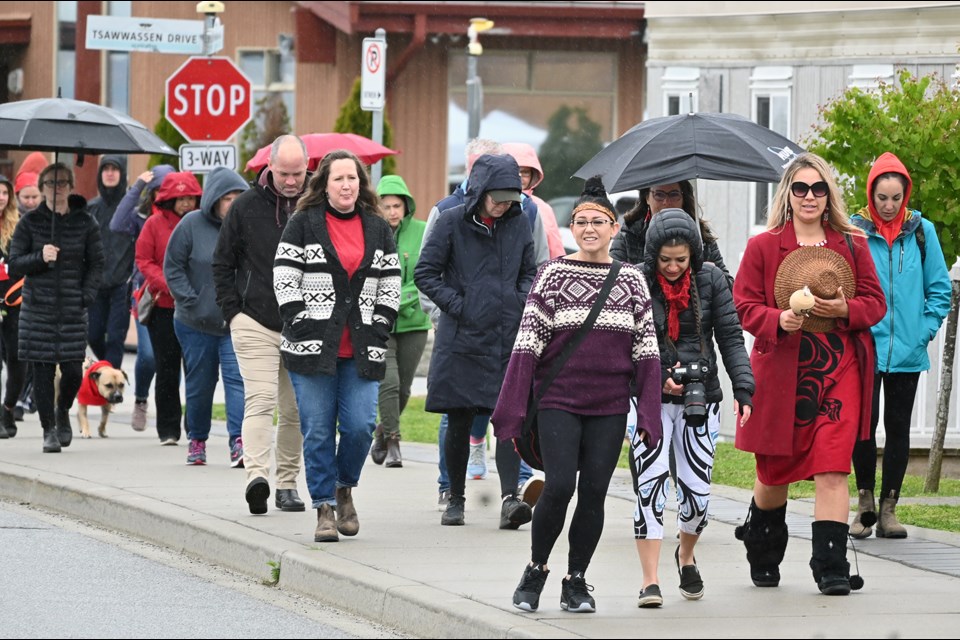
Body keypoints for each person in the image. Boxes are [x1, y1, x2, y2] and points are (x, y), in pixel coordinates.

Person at [492, 176, 661, 614]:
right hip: (559, 401)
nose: (589, 229)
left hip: (609, 405)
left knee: (594, 494)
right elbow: (526, 346)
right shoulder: (552, 275)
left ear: (613, 228)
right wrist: (510, 409)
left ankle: (576, 580)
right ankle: (536, 569)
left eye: (598, 222)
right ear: (572, 228)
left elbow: (647, 352)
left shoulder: (632, 281)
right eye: (581, 221)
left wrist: (649, 415)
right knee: (561, 484)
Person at [732, 152, 886, 596]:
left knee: (833, 467)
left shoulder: (852, 243)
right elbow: (744, 305)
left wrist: (846, 309)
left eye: (818, 189)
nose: (809, 197)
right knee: (775, 469)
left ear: (828, 194)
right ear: (788, 193)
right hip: (783, 371)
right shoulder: (764, 245)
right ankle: (762, 545)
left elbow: (875, 303)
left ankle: (831, 566)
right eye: (800, 188)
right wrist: (776, 320)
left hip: (840, 369)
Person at [274, 149, 400, 543]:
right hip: (311, 348)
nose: (347, 185)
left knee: (362, 425)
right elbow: (284, 276)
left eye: (353, 178)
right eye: (338, 179)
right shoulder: (302, 223)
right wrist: (300, 321)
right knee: (317, 430)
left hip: (363, 348)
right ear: (324, 185)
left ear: (361, 184)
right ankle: (325, 507)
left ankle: (345, 486)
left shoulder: (378, 228)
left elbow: (391, 282)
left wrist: (381, 323)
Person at [632, 208, 755, 608]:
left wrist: (744, 387)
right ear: (653, 255)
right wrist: (658, 374)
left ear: (694, 255)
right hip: (649, 396)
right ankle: (650, 581)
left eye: (680, 260)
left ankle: (685, 555)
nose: (671, 267)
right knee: (650, 484)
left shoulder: (712, 279)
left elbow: (731, 337)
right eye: (664, 260)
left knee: (698, 495)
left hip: (702, 398)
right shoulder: (636, 279)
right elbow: (626, 342)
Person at [415, 152, 537, 528]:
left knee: (509, 420)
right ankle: (455, 496)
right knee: (459, 417)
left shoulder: (518, 225)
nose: (502, 206)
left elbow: (530, 272)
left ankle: (509, 499)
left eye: (509, 200)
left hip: (505, 337)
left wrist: (516, 302)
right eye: (497, 198)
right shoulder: (451, 222)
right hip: (461, 337)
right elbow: (425, 272)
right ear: (481, 190)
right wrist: (460, 305)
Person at [849, 152, 951, 539]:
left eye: (896, 198)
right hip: (865, 351)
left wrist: (921, 333)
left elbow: (939, 290)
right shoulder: (856, 232)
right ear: (870, 195)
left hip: (907, 354)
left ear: (905, 194)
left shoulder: (921, 231)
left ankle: (890, 509)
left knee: (898, 428)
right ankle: (864, 508)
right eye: (882, 198)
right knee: (863, 428)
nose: (889, 206)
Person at [213, 134, 307, 515]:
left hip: (303, 322)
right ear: (269, 167)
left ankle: (286, 483)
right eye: (283, 173)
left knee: (296, 408)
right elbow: (222, 262)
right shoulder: (246, 206)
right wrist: (232, 311)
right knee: (262, 399)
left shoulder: (316, 206)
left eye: (297, 173)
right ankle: (257, 477)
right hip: (254, 319)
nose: (290, 181)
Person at [8, 162, 104, 452]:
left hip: (73, 307)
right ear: (42, 188)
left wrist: (86, 295)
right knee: (43, 371)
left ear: (71, 186)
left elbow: (97, 263)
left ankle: (63, 410)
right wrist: (40, 256)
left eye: (62, 182)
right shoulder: (30, 223)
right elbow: (14, 264)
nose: (57, 188)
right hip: (38, 308)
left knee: (74, 371)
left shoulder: (85, 222)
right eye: (50, 183)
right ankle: (48, 429)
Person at [164, 167, 248, 466]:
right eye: (227, 198)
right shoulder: (190, 224)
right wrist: (190, 299)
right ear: (213, 200)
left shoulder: (246, 226)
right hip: (194, 323)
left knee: (237, 381)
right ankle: (197, 439)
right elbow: (172, 266)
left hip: (235, 322)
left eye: (239, 197)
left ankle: (239, 441)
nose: (233, 204)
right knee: (200, 385)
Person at [135, 171, 202, 445]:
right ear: (168, 199)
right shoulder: (153, 224)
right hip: (163, 307)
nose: (186, 203)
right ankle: (168, 429)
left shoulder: (203, 223)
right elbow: (144, 259)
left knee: (197, 372)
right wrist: (169, 284)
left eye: (190, 198)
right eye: (180, 198)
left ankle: (196, 428)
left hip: (197, 310)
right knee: (167, 368)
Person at [368, 175, 430, 468]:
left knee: (404, 388)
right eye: (386, 206)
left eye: (397, 205)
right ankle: (393, 439)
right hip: (380, 322)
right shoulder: (369, 232)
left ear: (406, 207)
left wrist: (399, 297)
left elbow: (425, 277)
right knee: (388, 383)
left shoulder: (423, 231)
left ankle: (381, 429)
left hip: (414, 323)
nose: (392, 211)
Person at [111, 164, 176, 431]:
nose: (164, 195)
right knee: (148, 355)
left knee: (172, 359)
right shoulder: (140, 216)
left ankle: (170, 413)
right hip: (147, 295)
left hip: (179, 296)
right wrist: (136, 187)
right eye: (159, 190)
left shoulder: (184, 215)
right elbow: (116, 224)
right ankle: (140, 400)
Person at [611, 181, 731, 284]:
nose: (666, 202)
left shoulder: (700, 235)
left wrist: (711, 274)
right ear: (647, 197)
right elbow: (610, 283)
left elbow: (729, 286)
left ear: (684, 198)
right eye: (659, 195)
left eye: (674, 195)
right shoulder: (629, 234)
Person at [86, 155, 132, 370]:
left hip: (122, 284)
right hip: (96, 283)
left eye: (115, 169)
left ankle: (108, 388)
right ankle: (110, 373)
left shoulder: (132, 208)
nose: (110, 173)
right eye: (106, 169)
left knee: (115, 337)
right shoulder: (91, 208)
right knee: (93, 334)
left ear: (122, 173)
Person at [503, 142, 565, 259]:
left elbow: (556, 252)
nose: (520, 176)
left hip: (537, 274)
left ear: (533, 175)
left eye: (525, 172)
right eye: (515, 170)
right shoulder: (490, 204)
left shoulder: (543, 208)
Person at [0, 174, 26, 438]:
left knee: (18, 360)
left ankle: (8, 408)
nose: (0, 197)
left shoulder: (19, 226)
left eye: (4, 193)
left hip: (14, 301)